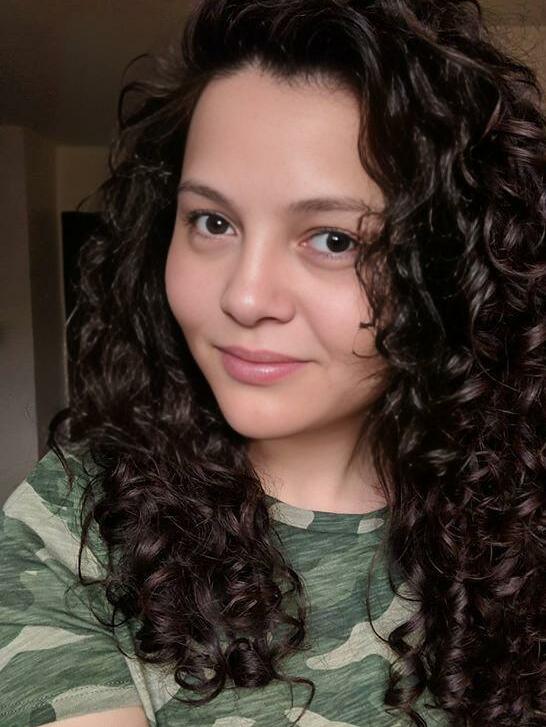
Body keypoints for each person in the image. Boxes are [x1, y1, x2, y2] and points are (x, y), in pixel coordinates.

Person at [1, 0, 544, 725]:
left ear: (451, 270)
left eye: (334, 240)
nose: (246, 296)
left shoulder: (524, 515)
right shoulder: (74, 525)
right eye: (212, 222)